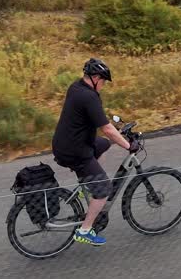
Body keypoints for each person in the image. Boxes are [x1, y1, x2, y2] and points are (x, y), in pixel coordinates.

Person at [51, 57, 136, 246]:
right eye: (103, 81)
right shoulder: (89, 97)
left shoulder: (76, 87)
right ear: (96, 78)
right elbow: (106, 129)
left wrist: (117, 134)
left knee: (103, 144)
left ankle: (88, 184)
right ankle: (84, 231)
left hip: (67, 143)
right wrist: (128, 146)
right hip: (75, 151)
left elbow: (99, 123)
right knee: (105, 189)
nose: (103, 85)